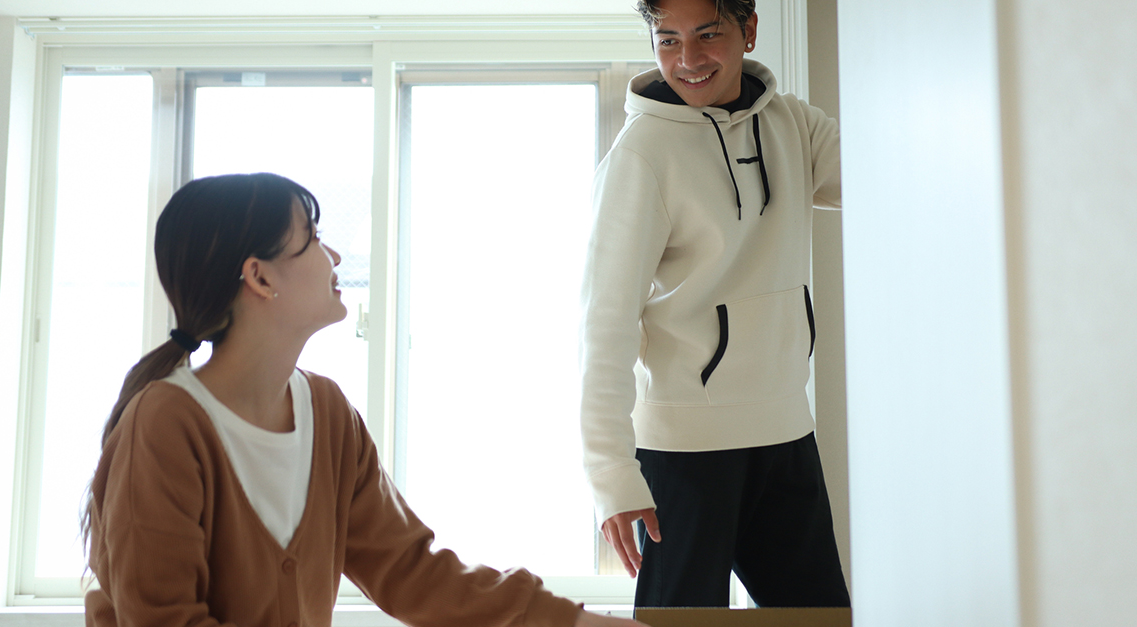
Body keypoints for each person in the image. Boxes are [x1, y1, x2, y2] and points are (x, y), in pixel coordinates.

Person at [83, 173, 645, 627]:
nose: (333, 255)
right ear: (259, 277)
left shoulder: (327, 413)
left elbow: (412, 573)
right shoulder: (165, 424)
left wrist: (571, 621)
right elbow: (163, 619)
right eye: (312, 239)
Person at [579, 0, 850, 609]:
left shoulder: (792, 124)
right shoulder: (641, 154)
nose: (688, 59)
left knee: (819, 619)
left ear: (748, 30)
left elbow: (890, 173)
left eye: (707, 35)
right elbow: (605, 321)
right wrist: (612, 474)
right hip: (682, 450)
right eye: (668, 40)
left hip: (785, 432)